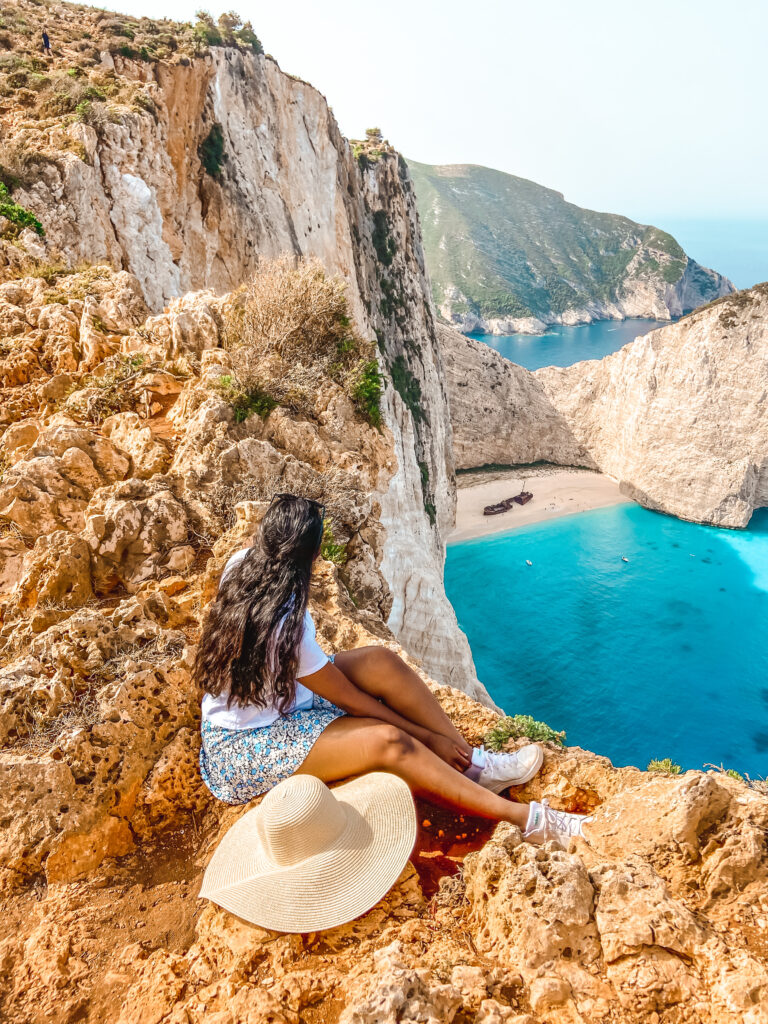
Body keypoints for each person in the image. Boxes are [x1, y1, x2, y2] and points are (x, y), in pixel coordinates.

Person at [194, 493, 590, 845]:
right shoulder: (288, 627)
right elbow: (352, 701)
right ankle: (528, 820)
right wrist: (423, 736)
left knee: (380, 662)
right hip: (246, 745)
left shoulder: (244, 563)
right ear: (311, 557)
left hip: (283, 699)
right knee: (390, 741)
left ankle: (473, 765)